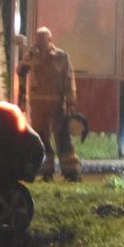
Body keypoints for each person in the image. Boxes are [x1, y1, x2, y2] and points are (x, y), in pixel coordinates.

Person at [18, 26, 80, 181]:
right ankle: (47, 170)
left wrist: (70, 101)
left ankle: (71, 171)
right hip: (38, 104)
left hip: (56, 103)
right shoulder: (32, 56)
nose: (39, 42)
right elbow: (20, 71)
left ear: (49, 39)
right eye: (37, 38)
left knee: (63, 136)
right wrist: (29, 56)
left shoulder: (61, 56)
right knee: (41, 137)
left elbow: (68, 79)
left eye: (42, 38)